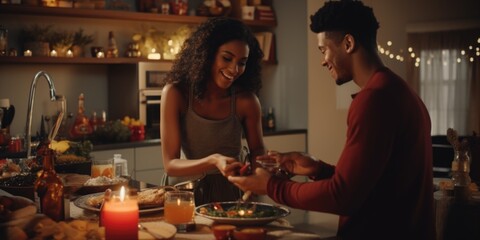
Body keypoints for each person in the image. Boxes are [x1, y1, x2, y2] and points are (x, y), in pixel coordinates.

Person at [228, 1, 435, 239]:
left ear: (348, 43)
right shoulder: (401, 91)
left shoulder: (373, 101)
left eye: (323, 50)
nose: (323, 60)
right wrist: (319, 169)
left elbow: (342, 197)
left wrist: (271, 187)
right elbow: (371, 184)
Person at [160, 17, 266, 205]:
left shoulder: (246, 101)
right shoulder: (176, 94)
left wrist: (257, 175)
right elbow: (170, 165)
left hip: (232, 192)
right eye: (227, 58)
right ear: (207, 54)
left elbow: (257, 149)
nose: (234, 69)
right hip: (184, 193)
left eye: (242, 62)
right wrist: (214, 160)